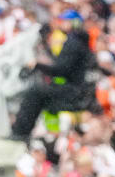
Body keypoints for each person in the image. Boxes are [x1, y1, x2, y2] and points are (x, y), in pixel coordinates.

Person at [10, 10, 97, 141]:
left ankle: (20, 133)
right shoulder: (79, 41)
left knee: (35, 92)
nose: (61, 24)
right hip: (80, 90)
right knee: (40, 90)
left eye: (65, 21)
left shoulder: (73, 42)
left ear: (74, 23)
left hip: (75, 92)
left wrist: (37, 65)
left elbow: (61, 69)